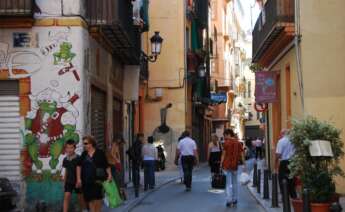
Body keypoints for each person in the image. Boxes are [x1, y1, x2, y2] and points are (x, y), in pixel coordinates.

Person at [77, 136, 112, 212]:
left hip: (98, 181)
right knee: (90, 201)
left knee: (97, 201)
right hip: (87, 182)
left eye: (86, 143)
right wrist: (79, 178)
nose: (84, 145)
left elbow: (106, 165)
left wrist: (109, 175)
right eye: (83, 143)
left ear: (91, 143)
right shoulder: (84, 154)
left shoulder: (100, 153)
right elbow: (78, 166)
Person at [221, 129, 246, 207]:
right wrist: (244, 164)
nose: (224, 137)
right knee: (235, 183)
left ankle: (229, 200)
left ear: (228, 134)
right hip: (235, 165)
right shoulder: (238, 143)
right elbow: (242, 154)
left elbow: (223, 155)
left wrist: (220, 164)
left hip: (227, 165)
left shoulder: (226, 143)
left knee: (228, 184)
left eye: (225, 135)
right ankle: (235, 199)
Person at [62, 140, 85, 212]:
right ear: (65, 149)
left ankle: (82, 210)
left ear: (74, 148)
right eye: (67, 148)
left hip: (77, 181)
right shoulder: (65, 159)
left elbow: (80, 169)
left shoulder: (78, 158)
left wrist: (79, 180)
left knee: (80, 198)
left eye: (71, 148)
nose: (69, 150)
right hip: (69, 181)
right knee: (66, 196)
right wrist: (64, 182)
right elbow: (66, 171)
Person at [275, 129, 297, 200]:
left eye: (281, 134)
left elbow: (278, 154)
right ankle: (293, 196)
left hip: (284, 163)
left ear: (282, 134)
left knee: (282, 179)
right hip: (293, 162)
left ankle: (285, 197)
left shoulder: (281, 141)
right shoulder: (294, 141)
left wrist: (275, 164)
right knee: (291, 180)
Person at [107, 135, 127, 200]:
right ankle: (119, 195)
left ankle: (120, 195)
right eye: (119, 139)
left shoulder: (115, 145)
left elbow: (114, 153)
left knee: (118, 180)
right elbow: (112, 153)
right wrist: (117, 160)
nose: (120, 141)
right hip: (113, 164)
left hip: (113, 164)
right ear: (117, 139)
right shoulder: (114, 144)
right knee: (117, 180)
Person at [127, 133, 144, 197]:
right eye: (142, 137)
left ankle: (136, 184)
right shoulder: (138, 143)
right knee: (136, 172)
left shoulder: (136, 143)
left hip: (135, 160)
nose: (143, 139)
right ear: (139, 137)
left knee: (135, 172)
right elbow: (137, 152)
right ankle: (136, 185)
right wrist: (138, 159)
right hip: (136, 160)